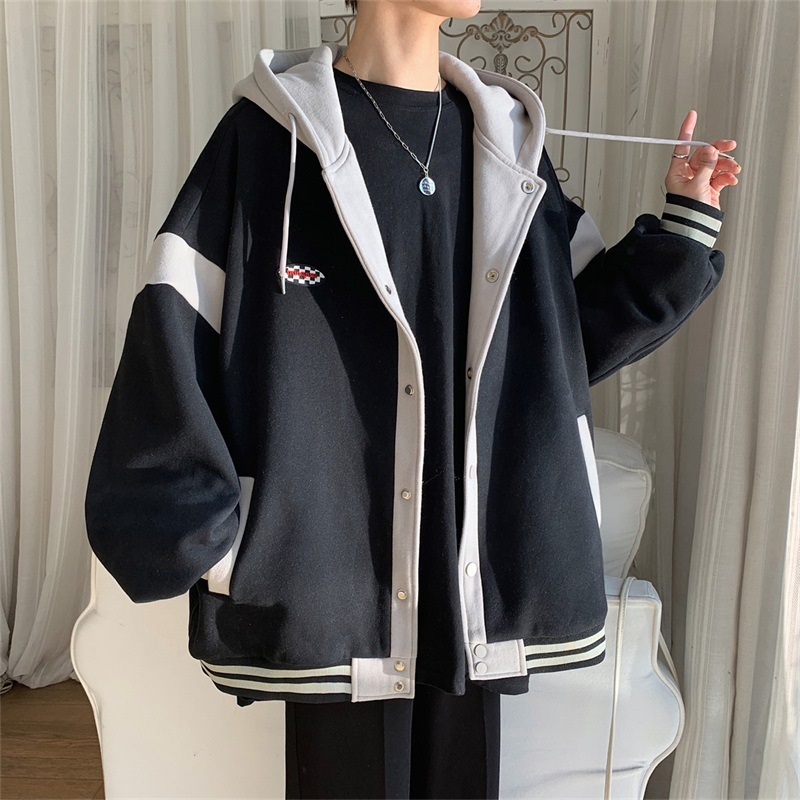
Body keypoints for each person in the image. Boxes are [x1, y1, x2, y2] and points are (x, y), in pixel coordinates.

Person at [84, 0, 740, 797]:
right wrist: (218, 540)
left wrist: (686, 223)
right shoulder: (265, 139)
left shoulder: (504, 144)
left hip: (476, 570)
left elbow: (564, 336)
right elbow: (174, 328)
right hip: (331, 575)